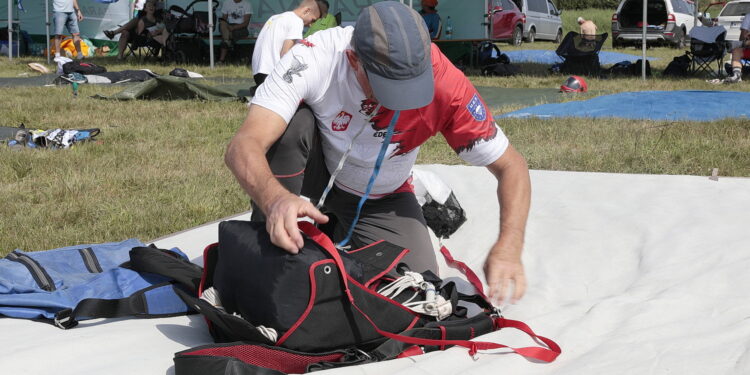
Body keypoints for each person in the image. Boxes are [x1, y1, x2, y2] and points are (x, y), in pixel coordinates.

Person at [225, 1, 531, 306]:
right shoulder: (314, 56)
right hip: (319, 173)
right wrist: (275, 200)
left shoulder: (448, 85)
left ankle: (334, 229)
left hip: (384, 197)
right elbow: (244, 144)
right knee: (290, 126)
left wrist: (509, 244)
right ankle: (266, 245)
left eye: (412, 88)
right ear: (353, 59)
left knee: (417, 292)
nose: (400, 103)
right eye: (387, 88)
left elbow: (511, 166)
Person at [250, 0, 320, 87]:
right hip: (271, 75)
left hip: (258, 74)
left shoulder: (275, 17)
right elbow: (285, 54)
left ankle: (260, 90)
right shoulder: (296, 21)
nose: (311, 25)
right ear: (307, 11)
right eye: (313, 20)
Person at [217, 0, 253, 64]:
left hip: (241, 28)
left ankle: (221, 60)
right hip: (229, 27)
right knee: (222, 24)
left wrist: (233, 28)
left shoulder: (247, 4)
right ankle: (227, 41)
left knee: (226, 37)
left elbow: (245, 23)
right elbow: (224, 19)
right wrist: (227, 26)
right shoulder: (227, 2)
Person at [724, 14, 750, 83]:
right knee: (736, 51)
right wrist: (745, 40)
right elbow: (742, 37)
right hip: (748, 48)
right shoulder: (749, 17)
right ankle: (737, 75)